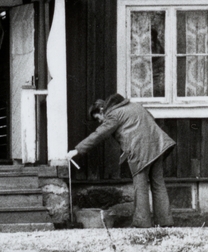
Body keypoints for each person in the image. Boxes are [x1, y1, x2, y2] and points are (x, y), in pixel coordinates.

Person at [67, 93, 176, 228]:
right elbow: (147, 122)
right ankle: (165, 222)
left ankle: (142, 223)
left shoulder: (113, 114)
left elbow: (98, 135)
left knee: (140, 186)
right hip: (158, 146)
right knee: (158, 184)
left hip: (141, 150)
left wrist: (77, 150)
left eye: (98, 118)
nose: (100, 121)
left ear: (102, 110)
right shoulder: (134, 105)